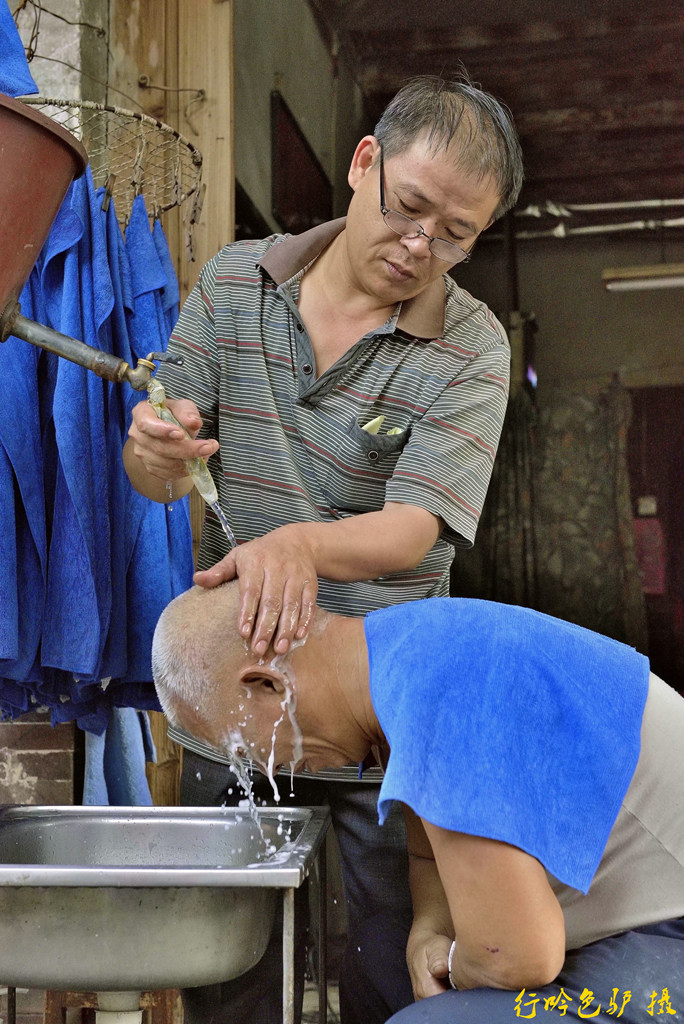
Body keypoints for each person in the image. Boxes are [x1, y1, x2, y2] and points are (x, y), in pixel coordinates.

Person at [124, 72, 523, 1023]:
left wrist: (296, 544)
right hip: (239, 693)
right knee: (230, 977)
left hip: (384, 716)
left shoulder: (471, 348)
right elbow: (162, 473)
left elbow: (416, 527)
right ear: (364, 163)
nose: (422, 247)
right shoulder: (233, 284)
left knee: (397, 970)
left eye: (458, 234)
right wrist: (155, 450)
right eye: (411, 208)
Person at [152, 582, 684, 1024]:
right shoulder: (402, 654)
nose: (265, 768)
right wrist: (430, 927)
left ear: (269, 683)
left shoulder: (436, 687)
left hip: (665, 940)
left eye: (243, 746)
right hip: (621, 919)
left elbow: (521, 955)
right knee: (386, 951)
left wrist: (454, 960)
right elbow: (428, 853)